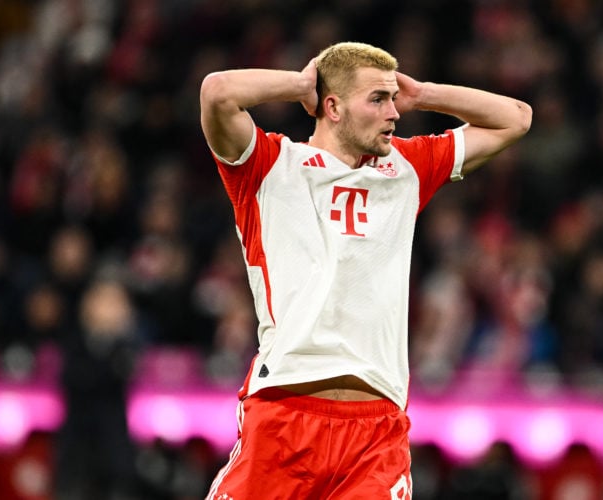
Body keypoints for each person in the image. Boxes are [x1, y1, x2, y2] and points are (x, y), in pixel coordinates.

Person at [199, 41, 532, 499]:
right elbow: (217, 92)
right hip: (283, 415)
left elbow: (516, 117)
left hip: (375, 435)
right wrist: (301, 83)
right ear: (331, 106)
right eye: (378, 99)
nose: (393, 113)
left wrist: (426, 94)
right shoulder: (270, 165)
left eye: (393, 99)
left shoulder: (407, 167)